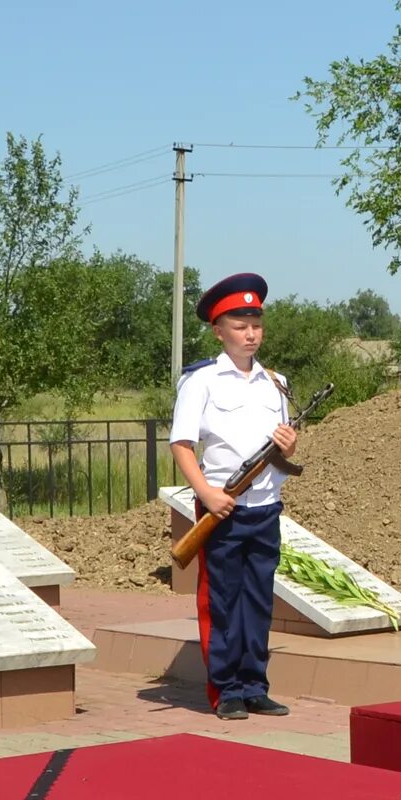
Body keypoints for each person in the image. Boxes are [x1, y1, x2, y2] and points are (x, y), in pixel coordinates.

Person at [168, 273, 299, 721]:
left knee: (259, 600)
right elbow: (182, 445)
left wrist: (289, 447)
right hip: (222, 508)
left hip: (265, 507)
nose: (250, 333)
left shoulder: (276, 383)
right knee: (221, 601)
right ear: (218, 330)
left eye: (256, 324)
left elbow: (281, 452)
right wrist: (206, 492)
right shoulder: (202, 381)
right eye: (239, 325)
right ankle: (225, 690)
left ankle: (254, 685)